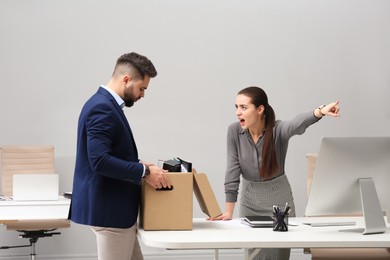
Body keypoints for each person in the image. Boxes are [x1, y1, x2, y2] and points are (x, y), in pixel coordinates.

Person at [210, 86, 340, 260]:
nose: (238, 112)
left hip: (279, 203)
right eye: (236, 107)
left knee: (277, 255)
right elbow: (232, 169)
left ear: (260, 109)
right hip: (250, 202)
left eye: (243, 107)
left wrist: (320, 111)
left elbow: (296, 124)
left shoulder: (278, 130)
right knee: (253, 255)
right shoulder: (234, 131)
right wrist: (228, 212)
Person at [68, 52, 171, 260]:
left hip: (117, 214)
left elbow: (108, 153)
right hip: (111, 213)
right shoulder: (102, 108)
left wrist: (138, 164)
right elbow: (99, 161)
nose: (142, 95)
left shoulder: (105, 104)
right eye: (142, 88)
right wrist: (144, 172)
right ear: (126, 79)